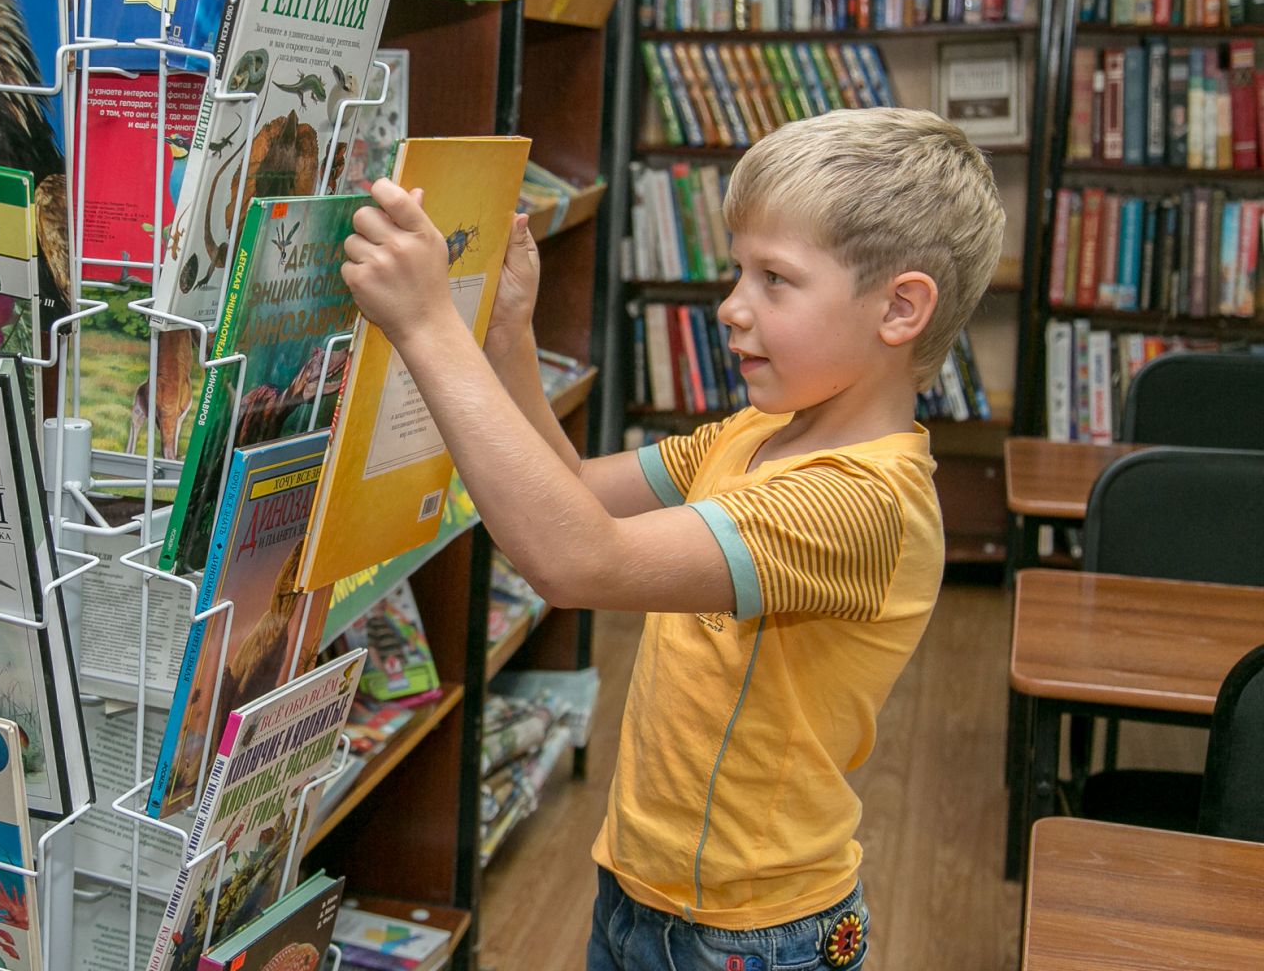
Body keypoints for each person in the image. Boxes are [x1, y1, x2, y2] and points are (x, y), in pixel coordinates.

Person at [339, 107, 1005, 970]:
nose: (731, 307)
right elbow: (573, 494)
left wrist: (427, 327)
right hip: (643, 887)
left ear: (901, 308)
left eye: (775, 279)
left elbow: (577, 561)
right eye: (739, 271)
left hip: (754, 934)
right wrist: (506, 337)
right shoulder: (753, 435)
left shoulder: (863, 504)